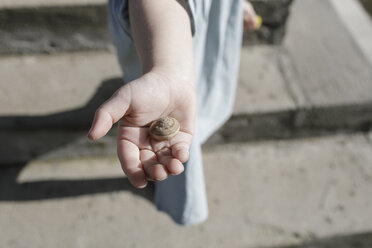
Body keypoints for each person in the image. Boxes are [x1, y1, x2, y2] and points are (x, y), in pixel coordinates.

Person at [88, 0, 260, 225]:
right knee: (182, 146)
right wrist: (168, 71)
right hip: (159, 30)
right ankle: (179, 203)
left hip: (212, 16)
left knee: (197, 102)